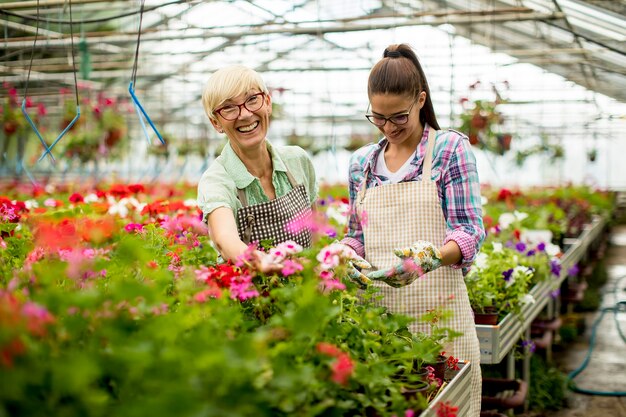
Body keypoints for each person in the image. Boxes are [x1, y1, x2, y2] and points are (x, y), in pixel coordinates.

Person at [340, 44, 485, 416]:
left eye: (399, 117)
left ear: (421, 100)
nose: (389, 128)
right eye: (378, 118)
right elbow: (357, 233)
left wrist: (432, 257)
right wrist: (345, 254)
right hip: (381, 325)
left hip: (443, 319)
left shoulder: (448, 149)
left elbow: (469, 230)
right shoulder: (362, 164)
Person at [197, 65, 318, 264]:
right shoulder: (216, 180)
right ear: (216, 123)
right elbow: (223, 238)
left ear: (268, 102)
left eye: (252, 99)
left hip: (306, 292)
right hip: (252, 293)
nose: (244, 114)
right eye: (228, 107)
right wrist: (258, 261)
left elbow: (315, 231)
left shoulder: (298, 161)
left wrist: (321, 272)